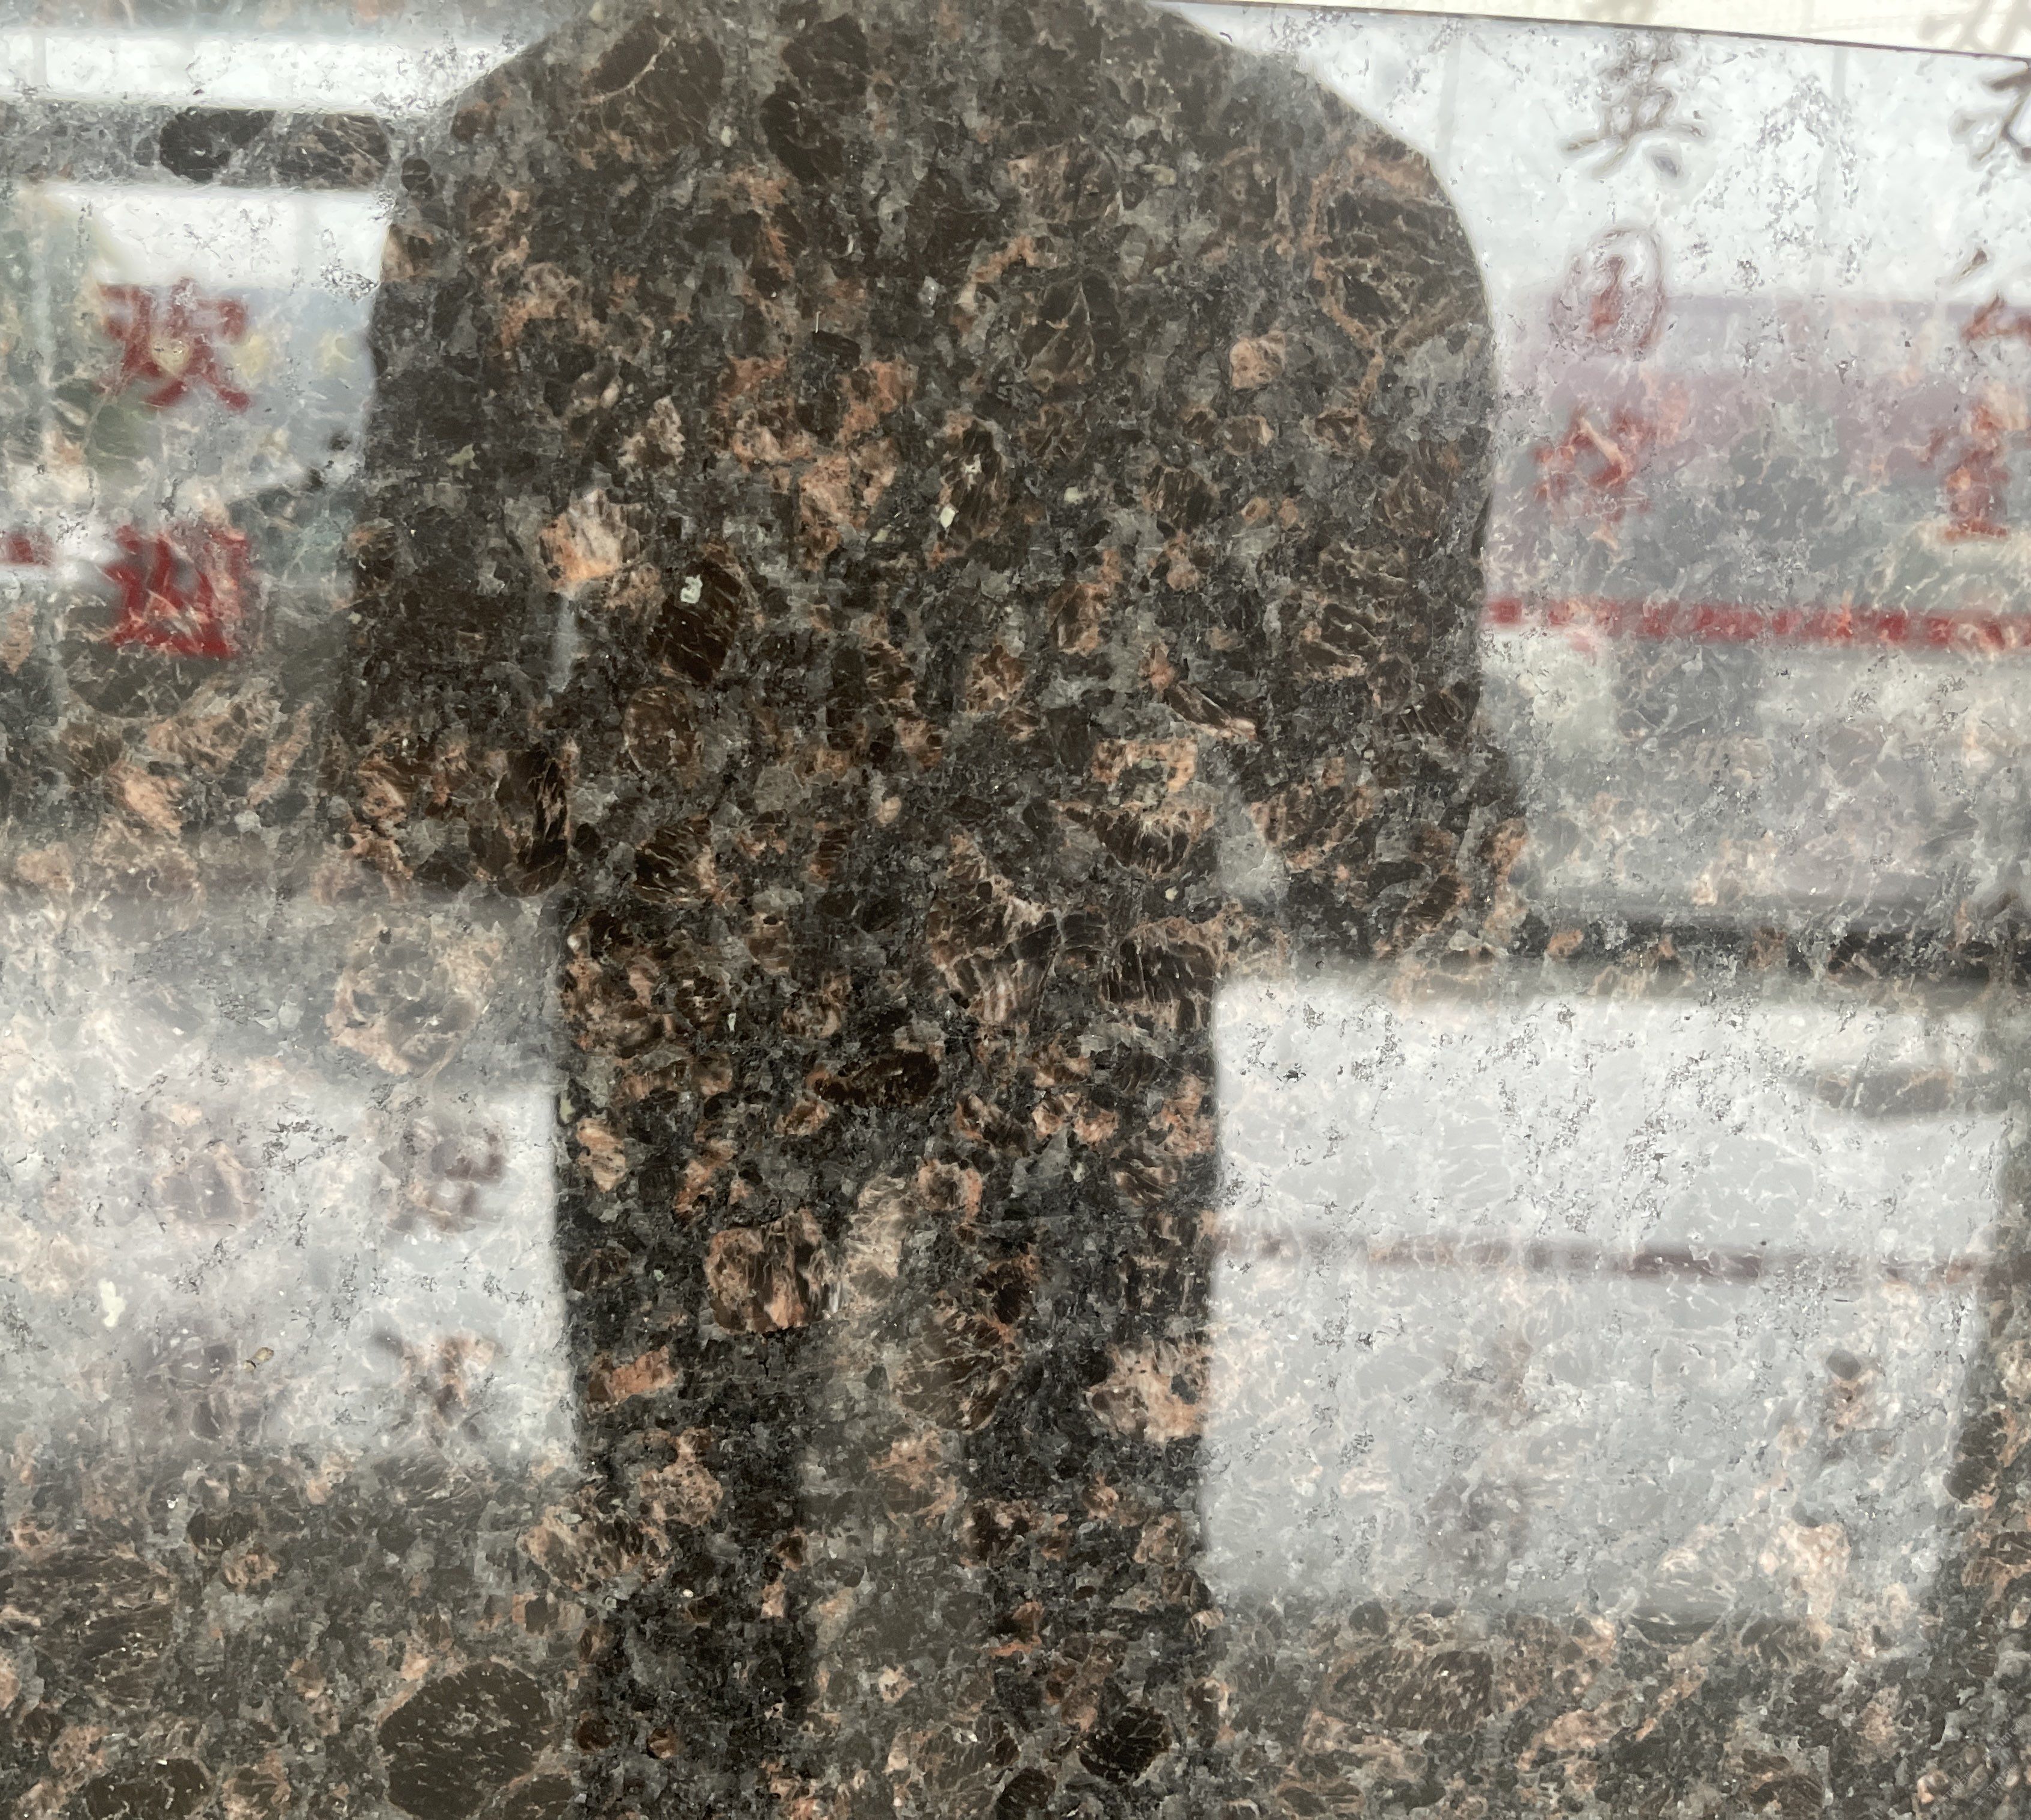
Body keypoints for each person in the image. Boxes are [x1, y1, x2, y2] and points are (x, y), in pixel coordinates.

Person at [336, 0, 1510, 1809]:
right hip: (1070, 974)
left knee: (691, 1633)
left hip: (703, 960)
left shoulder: (545, 147)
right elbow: (1392, 841)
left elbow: (433, 786)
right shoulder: (1310, 188)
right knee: (1096, 1624)